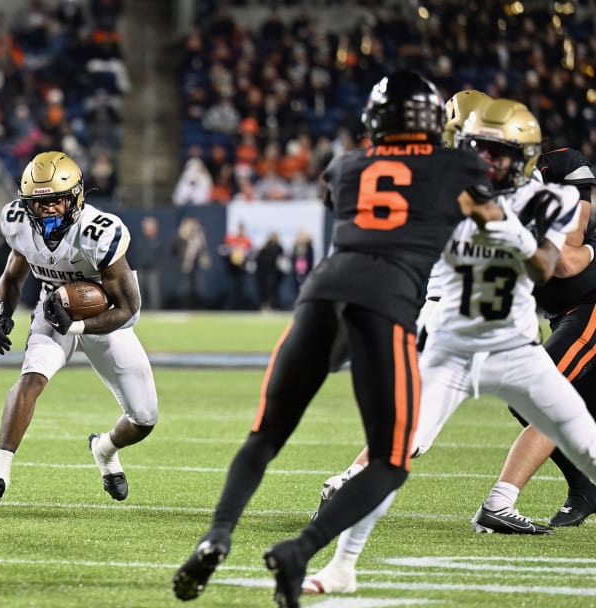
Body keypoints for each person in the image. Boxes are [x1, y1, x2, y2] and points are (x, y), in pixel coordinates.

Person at [170, 70, 498, 606]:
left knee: (264, 436)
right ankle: (301, 551)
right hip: (384, 300)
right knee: (391, 461)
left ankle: (218, 534)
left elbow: (350, 198)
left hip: (321, 293)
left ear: (378, 119)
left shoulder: (347, 166)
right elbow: (490, 219)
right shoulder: (457, 165)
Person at [301, 102, 596, 597]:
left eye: (500, 153)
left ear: (523, 157)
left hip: (515, 345)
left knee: (581, 435)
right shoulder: (442, 192)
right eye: (479, 149)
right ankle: (341, 563)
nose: (488, 160)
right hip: (454, 342)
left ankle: (509, 499)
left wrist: (503, 225)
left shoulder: (549, 197)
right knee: (403, 441)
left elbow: (556, 266)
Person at [0, 150, 157, 505]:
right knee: (32, 376)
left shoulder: (98, 232)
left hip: (106, 321)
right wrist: (1, 313)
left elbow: (129, 309)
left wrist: (75, 326)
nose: (47, 210)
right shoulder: (18, 221)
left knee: (144, 418)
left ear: (75, 197)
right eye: (39, 203)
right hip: (53, 307)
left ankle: (104, 449)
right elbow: (13, 276)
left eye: (57, 201)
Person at [468, 146, 596, 531]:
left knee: (540, 397)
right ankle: (583, 490)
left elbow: (564, 263)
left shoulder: (570, 208)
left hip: (590, 312)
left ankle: (501, 500)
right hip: (565, 318)